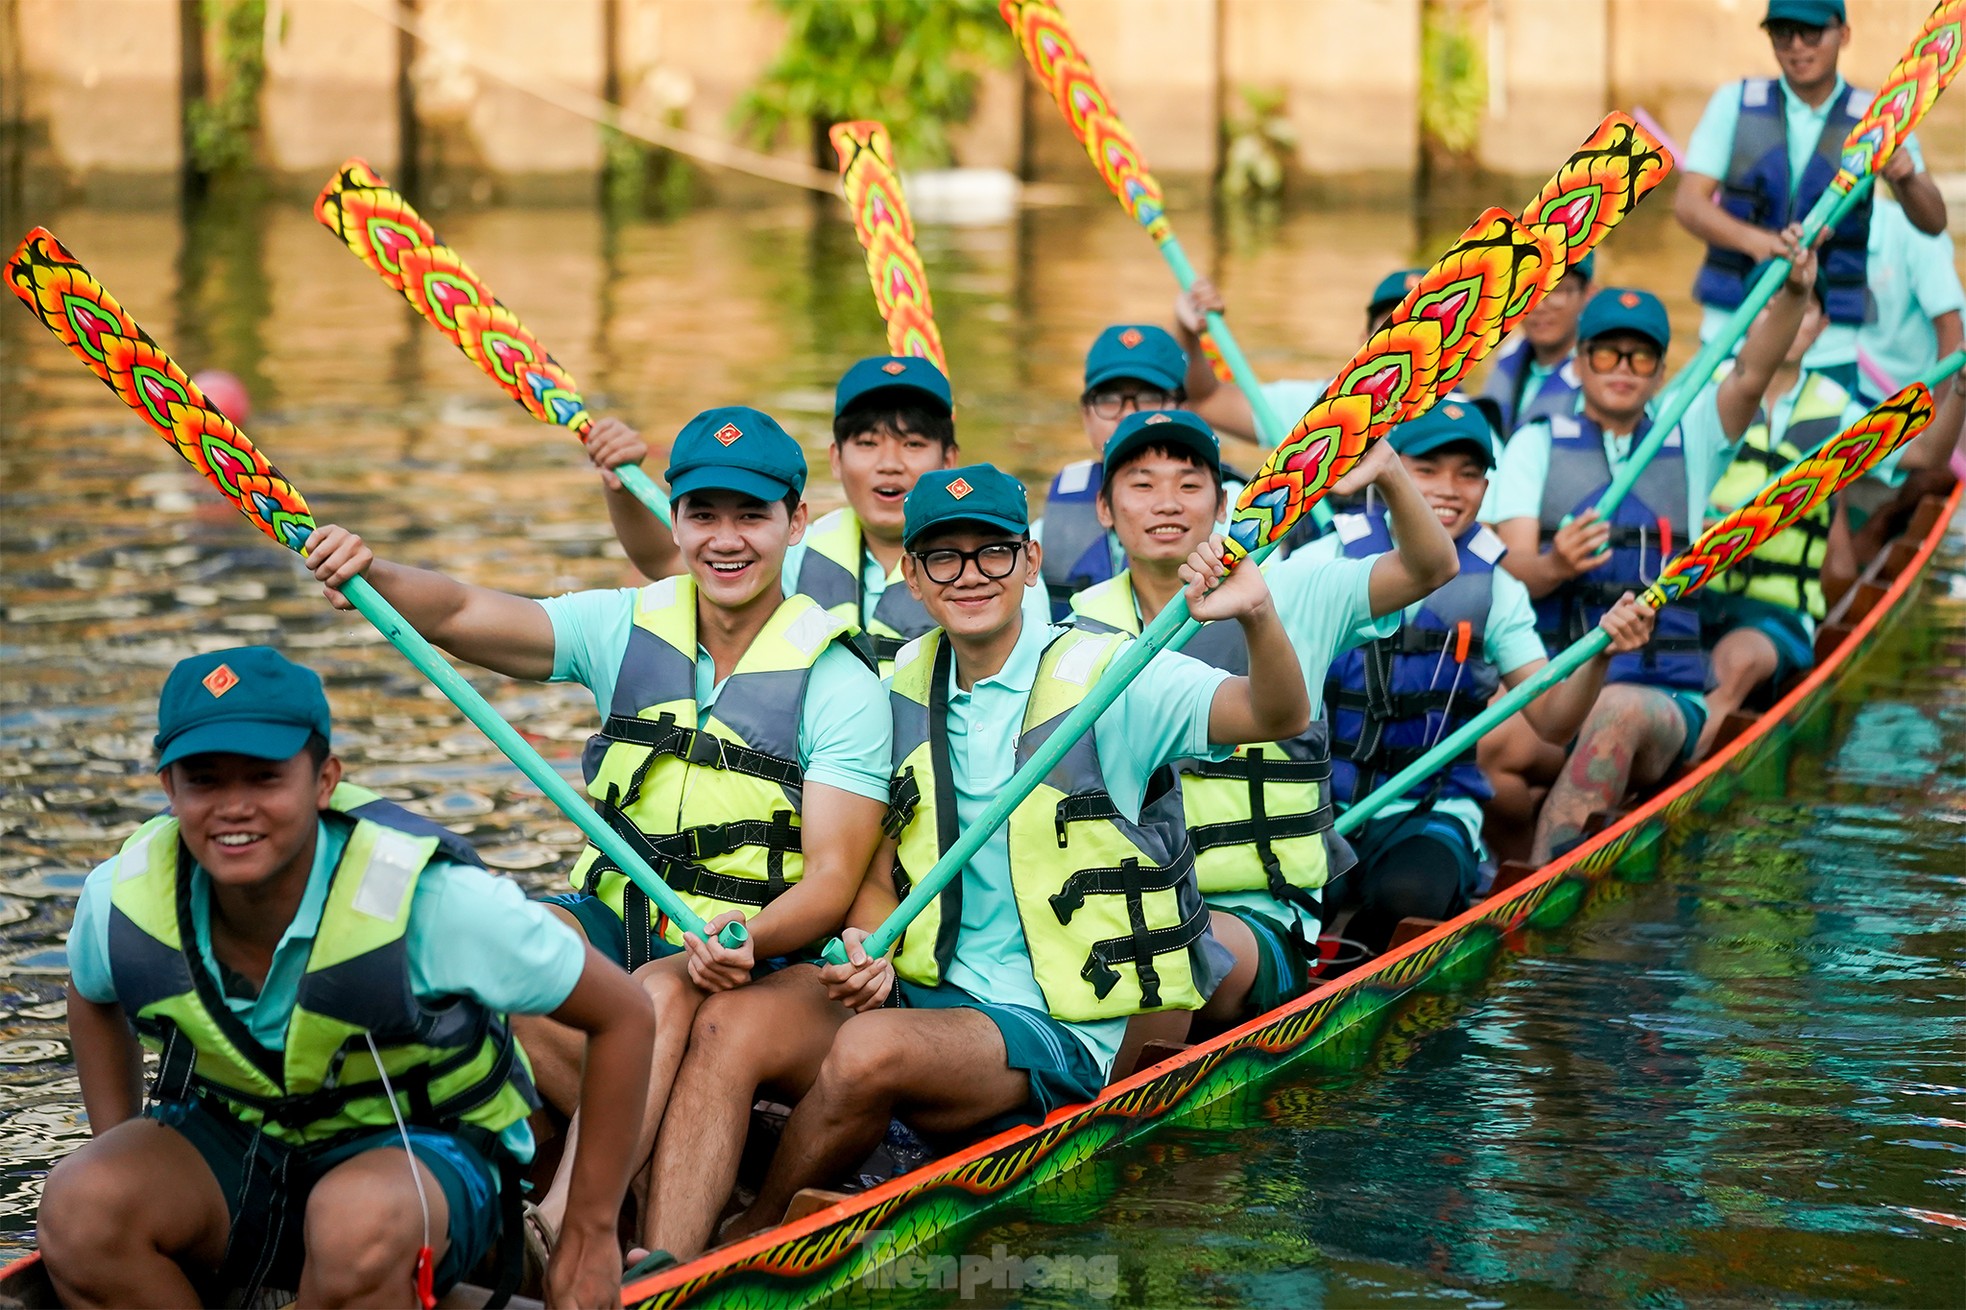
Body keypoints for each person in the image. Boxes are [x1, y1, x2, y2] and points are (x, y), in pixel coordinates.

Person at [300, 406, 891, 1251]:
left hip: (765, 952)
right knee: (487, 941)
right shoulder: (625, 624)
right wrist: (373, 574)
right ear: (675, 520)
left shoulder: (840, 681)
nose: (727, 539)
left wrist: (746, 937)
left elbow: (833, 877)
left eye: (752, 515)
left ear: (795, 523)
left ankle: (625, 1246)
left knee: (660, 996)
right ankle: (492, 1191)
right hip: (620, 921)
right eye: (704, 514)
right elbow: (467, 609)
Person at [720, 462, 1313, 1244]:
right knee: (731, 1022)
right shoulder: (894, 686)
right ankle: (644, 1253)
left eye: (993, 552)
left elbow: (1276, 710)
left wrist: (1258, 616)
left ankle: (744, 1245)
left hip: (1058, 1026)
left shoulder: (1114, 677)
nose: (970, 575)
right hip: (928, 991)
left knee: (866, 1050)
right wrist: (870, 942)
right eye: (944, 557)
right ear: (913, 576)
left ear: (1030, 563)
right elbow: (873, 859)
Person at [42, 647, 655, 1308]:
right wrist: (124, 1148)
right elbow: (90, 992)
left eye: (265, 778)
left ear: (324, 781)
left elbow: (625, 1012)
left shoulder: (429, 898)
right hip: (240, 1141)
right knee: (83, 1209)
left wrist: (590, 1234)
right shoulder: (123, 896)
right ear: (169, 790)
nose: (235, 808)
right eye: (205, 780)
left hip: (418, 1153)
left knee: (352, 1225)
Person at [1071, 408, 1458, 1023]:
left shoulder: (1296, 589)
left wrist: (1388, 473)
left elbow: (1430, 569)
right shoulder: (1073, 629)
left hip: (1260, 913)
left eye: (1189, 484)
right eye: (1142, 485)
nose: (1166, 502)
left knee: (1170, 952)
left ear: (1222, 506)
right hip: (1119, 906)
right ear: (1105, 509)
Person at [1479, 270, 1812, 863]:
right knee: (1478, 748)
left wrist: (1793, 292)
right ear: (1579, 363)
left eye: (1640, 357)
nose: (1622, 367)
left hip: (1660, 696)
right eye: (1607, 352)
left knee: (1618, 710)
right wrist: (1557, 563)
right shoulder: (1535, 442)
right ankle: (1502, 861)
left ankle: (1542, 883)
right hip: (1565, 690)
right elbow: (1514, 568)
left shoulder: (1695, 436)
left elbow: (1750, 373)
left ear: (1660, 373)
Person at [1304, 404, 1655, 952]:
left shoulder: (1498, 589)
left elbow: (1555, 723)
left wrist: (1601, 654)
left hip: (1428, 811)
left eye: (1469, 474)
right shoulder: (1325, 558)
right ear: (1392, 473)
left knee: (1406, 899)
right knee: (1302, 894)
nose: (1450, 489)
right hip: (1317, 809)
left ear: (1486, 486)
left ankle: (1357, 967)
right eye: (1428, 469)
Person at [1673, 0, 1947, 395]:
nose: (1797, 46)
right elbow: (1688, 203)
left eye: (1812, 32)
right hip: (1731, 334)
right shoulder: (1733, 102)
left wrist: (1906, 179)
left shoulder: (1880, 117)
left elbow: (1934, 222)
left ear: (1845, 34)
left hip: (1828, 345)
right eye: (1782, 33)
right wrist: (1762, 244)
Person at [1035, 324, 1192, 616]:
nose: (1129, 414)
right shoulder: (1041, 533)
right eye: (1109, 399)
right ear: (1085, 413)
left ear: (1184, 407)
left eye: (1149, 398)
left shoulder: (1232, 511)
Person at [1173, 268, 1427, 444]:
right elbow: (1205, 400)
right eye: (1390, 326)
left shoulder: (1465, 412)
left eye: (1424, 326)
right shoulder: (1318, 407)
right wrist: (1190, 330)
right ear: (1364, 340)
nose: (1404, 339)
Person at [1479, 254, 1596, 437]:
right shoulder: (1506, 359)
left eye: (1556, 291)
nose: (1539, 306)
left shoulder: (1603, 373)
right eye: (1527, 291)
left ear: (1588, 294)